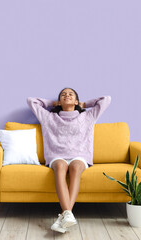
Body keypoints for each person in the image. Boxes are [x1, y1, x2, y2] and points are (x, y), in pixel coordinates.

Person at [27, 88, 111, 233]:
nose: (67, 95)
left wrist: (84, 104)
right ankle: (68, 214)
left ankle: (65, 215)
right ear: (59, 101)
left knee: (75, 167)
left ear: (76, 101)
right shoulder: (48, 117)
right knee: (60, 167)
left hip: (79, 155)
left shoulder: (88, 116)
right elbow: (31, 101)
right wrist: (54, 102)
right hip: (56, 155)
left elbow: (106, 99)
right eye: (63, 95)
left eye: (71, 94)